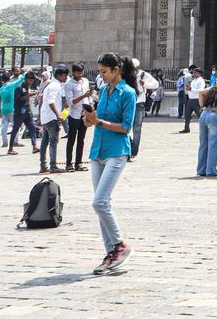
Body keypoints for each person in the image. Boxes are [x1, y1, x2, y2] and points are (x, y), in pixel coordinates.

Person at [85, 53, 137, 274]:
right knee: (102, 205)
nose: (101, 76)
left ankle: (120, 245)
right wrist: (90, 120)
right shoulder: (104, 91)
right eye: (99, 72)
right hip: (98, 150)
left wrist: (100, 122)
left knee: (99, 203)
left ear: (116, 70)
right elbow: (96, 122)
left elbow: (126, 127)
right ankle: (111, 254)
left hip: (117, 151)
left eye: (104, 72)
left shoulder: (129, 93)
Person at [197, 78, 217, 177]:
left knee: (203, 144)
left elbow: (201, 92)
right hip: (215, 115)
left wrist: (202, 106)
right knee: (214, 144)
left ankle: (201, 169)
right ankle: (211, 170)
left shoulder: (214, 87)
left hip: (204, 113)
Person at [37, 65, 67, 174]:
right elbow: (51, 102)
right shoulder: (55, 86)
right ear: (59, 75)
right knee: (53, 142)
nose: (65, 78)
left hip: (46, 117)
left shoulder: (50, 85)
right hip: (51, 118)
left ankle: (43, 165)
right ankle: (53, 166)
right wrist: (58, 115)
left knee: (44, 142)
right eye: (64, 76)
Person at [63, 63, 92, 171]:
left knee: (81, 139)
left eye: (81, 72)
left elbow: (88, 99)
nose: (80, 75)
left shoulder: (85, 81)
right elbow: (70, 102)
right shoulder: (69, 84)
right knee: (71, 139)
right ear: (73, 72)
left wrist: (90, 107)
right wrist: (84, 95)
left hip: (84, 114)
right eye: (77, 73)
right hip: (74, 115)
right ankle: (69, 163)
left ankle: (78, 163)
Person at [7, 71, 40, 155]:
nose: (31, 82)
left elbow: (27, 95)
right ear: (26, 79)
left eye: (32, 81)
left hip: (27, 112)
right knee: (15, 130)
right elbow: (17, 100)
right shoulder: (19, 87)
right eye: (30, 80)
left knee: (32, 128)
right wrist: (28, 95)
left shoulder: (26, 87)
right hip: (19, 113)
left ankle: (34, 146)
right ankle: (10, 148)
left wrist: (36, 92)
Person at [133, 63, 157, 158]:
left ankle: (134, 151)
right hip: (128, 103)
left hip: (139, 103)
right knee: (125, 127)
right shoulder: (126, 73)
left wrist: (145, 84)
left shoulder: (143, 75)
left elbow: (156, 84)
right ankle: (129, 147)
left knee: (137, 128)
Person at [180, 65, 205, 134]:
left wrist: (191, 89)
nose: (194, 74)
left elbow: (201, 90)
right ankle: (186, 128)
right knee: (187, 114)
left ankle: (204, 128)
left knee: (200, 115)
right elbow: (191, 88)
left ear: (199, 73)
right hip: (190, 99)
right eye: (193, 73)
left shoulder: (201, 81)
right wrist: (188, 90)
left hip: (196, 99)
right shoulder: (194, 80)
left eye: (195, 73)